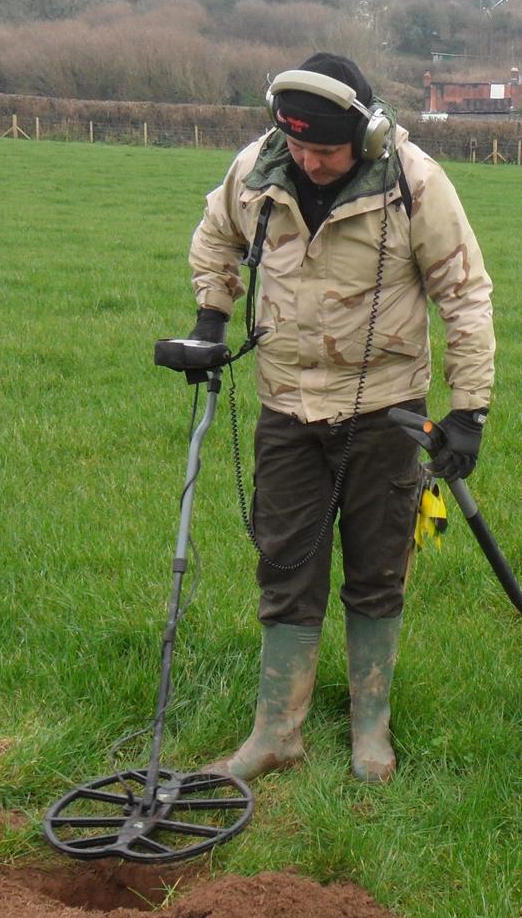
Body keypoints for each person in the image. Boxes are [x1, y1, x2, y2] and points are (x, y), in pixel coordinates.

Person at [185, 53, 495, 785]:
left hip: (385, 412)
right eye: (298, 147)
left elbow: (465, 294)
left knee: (378, 566)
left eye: (325, 150)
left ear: (369, 136)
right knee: (285, 564)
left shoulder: (414, 183)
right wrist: (209, 320)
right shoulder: (256, 175)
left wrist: (469, 411)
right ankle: (276, 733)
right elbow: (213, 238)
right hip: (287, 405)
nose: (310, 162)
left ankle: (370, 731)